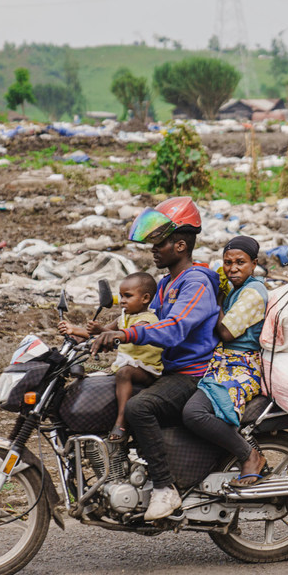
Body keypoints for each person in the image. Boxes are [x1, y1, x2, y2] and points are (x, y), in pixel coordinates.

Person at [91, 198, 220, 520]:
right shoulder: (165, 284)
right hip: (168, 370)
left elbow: (173, 328)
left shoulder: (196, 282)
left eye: (159, 242)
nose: (153, 249)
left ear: (180, 245)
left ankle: (165, 488)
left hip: (193, 374)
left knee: (139, 406)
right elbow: (145, 320)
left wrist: (126, 335)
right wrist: (98, 333)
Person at [182, 236, 268, 487]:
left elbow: (227, 332)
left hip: (241, 369)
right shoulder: (236, 288)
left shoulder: (253, 293)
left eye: (240, 262)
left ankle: (249, 455)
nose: (232, 268)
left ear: (254, 264)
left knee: (194, 413)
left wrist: (216, 298)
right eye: (227, 262)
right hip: (222, 363)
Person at [58, 272, 162, 446]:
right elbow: (99, 334)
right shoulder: (123, 317)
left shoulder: (148, 320)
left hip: (147, 368)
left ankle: (121, 422)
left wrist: (102, 331)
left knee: (123, 374)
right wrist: (73, 330)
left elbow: (126, 335)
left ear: (145, 298)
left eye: (128, 296)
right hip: (126, 364)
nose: (122, 300)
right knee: (93, 374)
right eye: (121, 296)